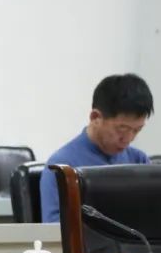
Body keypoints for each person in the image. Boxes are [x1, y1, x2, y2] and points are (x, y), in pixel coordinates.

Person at [40, 74, 153, 223]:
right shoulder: (62, 166)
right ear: (95, 117)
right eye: (122, 129)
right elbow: (55, 227)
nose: (128, 138)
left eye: (137, 130)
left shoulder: (139, 161)